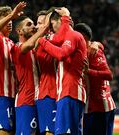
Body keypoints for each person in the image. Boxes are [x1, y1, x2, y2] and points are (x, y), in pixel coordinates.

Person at [37, 10, 87, 135]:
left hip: (70, 92)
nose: (52, 29)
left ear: (59, 21)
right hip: (68, 93)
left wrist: (42, 41)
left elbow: (61, 54)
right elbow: (57, 39)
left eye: (53, 24)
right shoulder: (68, 37)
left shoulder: (73, 35)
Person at [0, 2, 26, 135]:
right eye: (6, 18)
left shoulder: (11, 43)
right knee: (5, 131)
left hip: (14, 94)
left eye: (11, 18)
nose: (10, 21)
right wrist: (12, 15)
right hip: (0, 93)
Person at [74, 23, 116, 135]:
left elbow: (109, 75)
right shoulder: (84, 51)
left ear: (83, 37)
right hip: (88, 106)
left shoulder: (95, 53)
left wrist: (89, 71)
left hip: (102, 107)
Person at [11, 14, 49, 134]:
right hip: (25, 101)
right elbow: (29, 45)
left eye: (33, 24)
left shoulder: (35, 50)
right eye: (29, 25)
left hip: (39, 100)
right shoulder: (16, 48)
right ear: (19, 31)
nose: (33, 27)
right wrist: (44, 29)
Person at [35, 7, 71, 135]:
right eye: (37, 23)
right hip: (48, 92)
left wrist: (96, 44)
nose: (37, 26)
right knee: (49, 132)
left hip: (63, 92)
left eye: (42, 23)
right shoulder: (40, 42)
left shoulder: (54, 38)